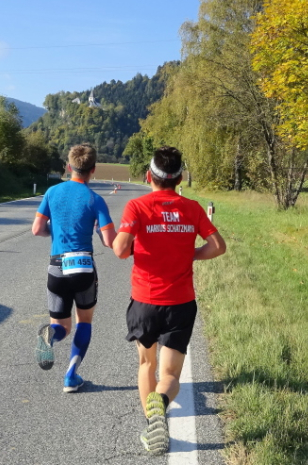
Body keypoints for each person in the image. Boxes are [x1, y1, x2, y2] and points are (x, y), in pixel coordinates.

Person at [113, 146, 226, 455]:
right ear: (179, 179)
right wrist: (190, 253)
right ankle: (161, 402)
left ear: (148, 176)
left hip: (145, 301)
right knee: (171, 375)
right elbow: (218, 247)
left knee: (146, 364)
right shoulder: (192, 208)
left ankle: (152, 423)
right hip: (180, 302)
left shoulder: (137, 206)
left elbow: (120, 250)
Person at [32, 143, 116, 393]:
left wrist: (54, 232)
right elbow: (109, 241)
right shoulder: (95, 199)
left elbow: (37, 229)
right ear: (93, 170)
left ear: (69, 167)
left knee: (62, 327)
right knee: (84, 322)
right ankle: (71, 376)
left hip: (57, 266)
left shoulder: (52, 192)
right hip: (83, 267)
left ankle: (51, 334)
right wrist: (98, 232)